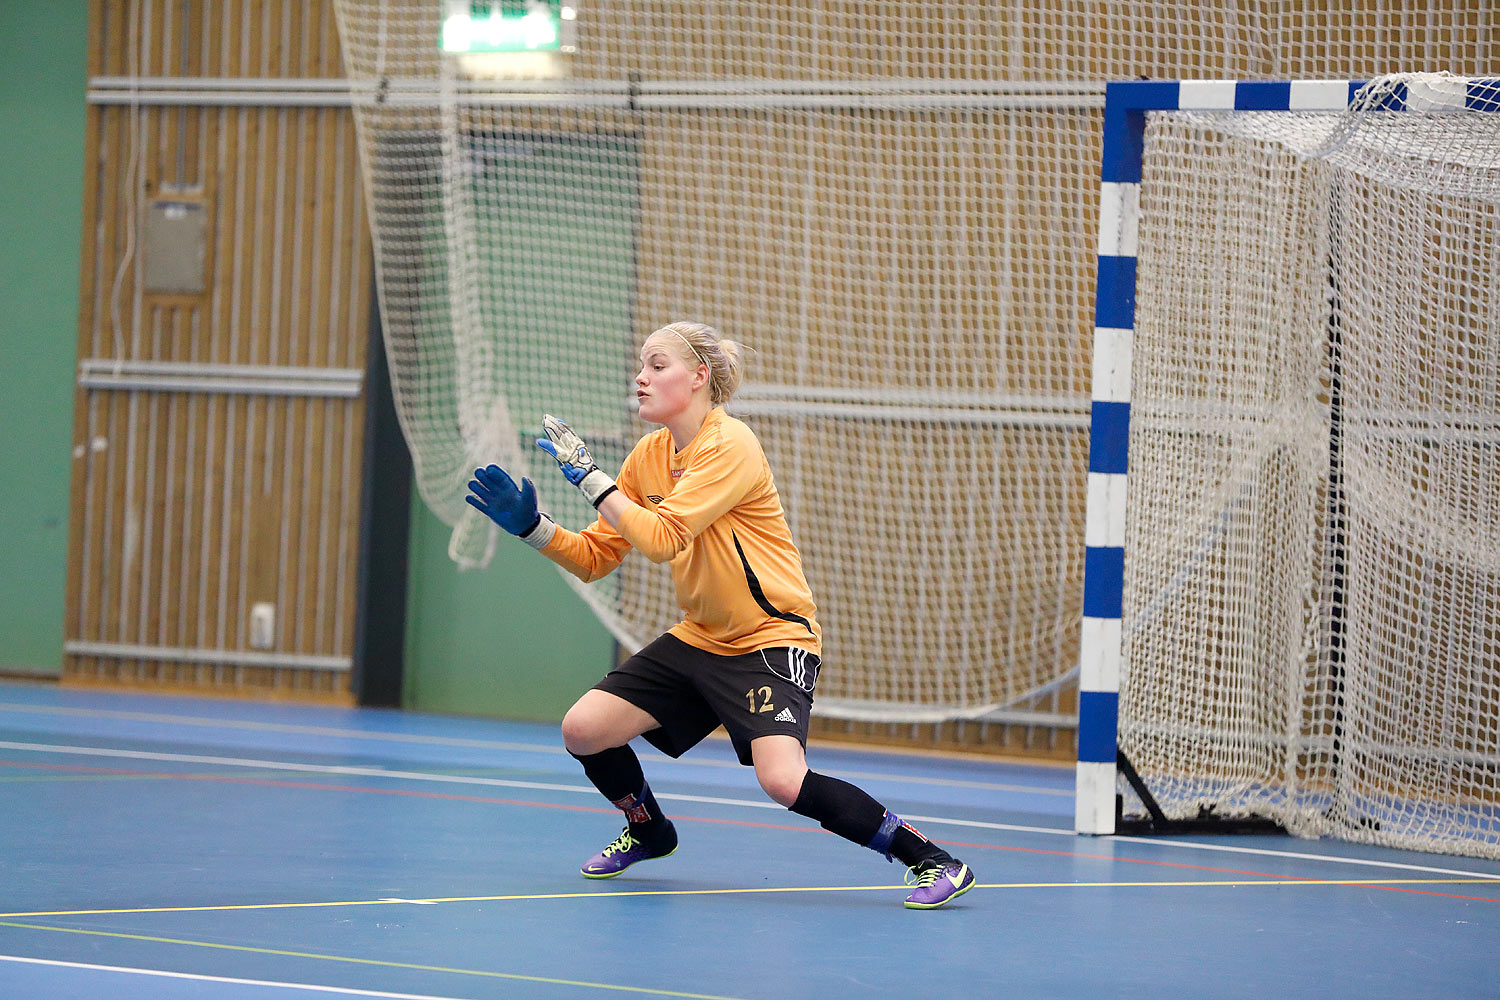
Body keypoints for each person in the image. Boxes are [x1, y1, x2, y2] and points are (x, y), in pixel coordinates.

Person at [465, 321, 976, 909]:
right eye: (641, 364)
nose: (641, 376)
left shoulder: (731, 444)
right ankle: (651, 830)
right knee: (583, 729)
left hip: (770, 639)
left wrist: (588, 476)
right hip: (701, 638)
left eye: (657, 364)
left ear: (699, 376)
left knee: (783, 781)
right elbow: (596, 557)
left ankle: (932, 859)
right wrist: (534, 529)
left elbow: (664, 539)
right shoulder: (649, 456)